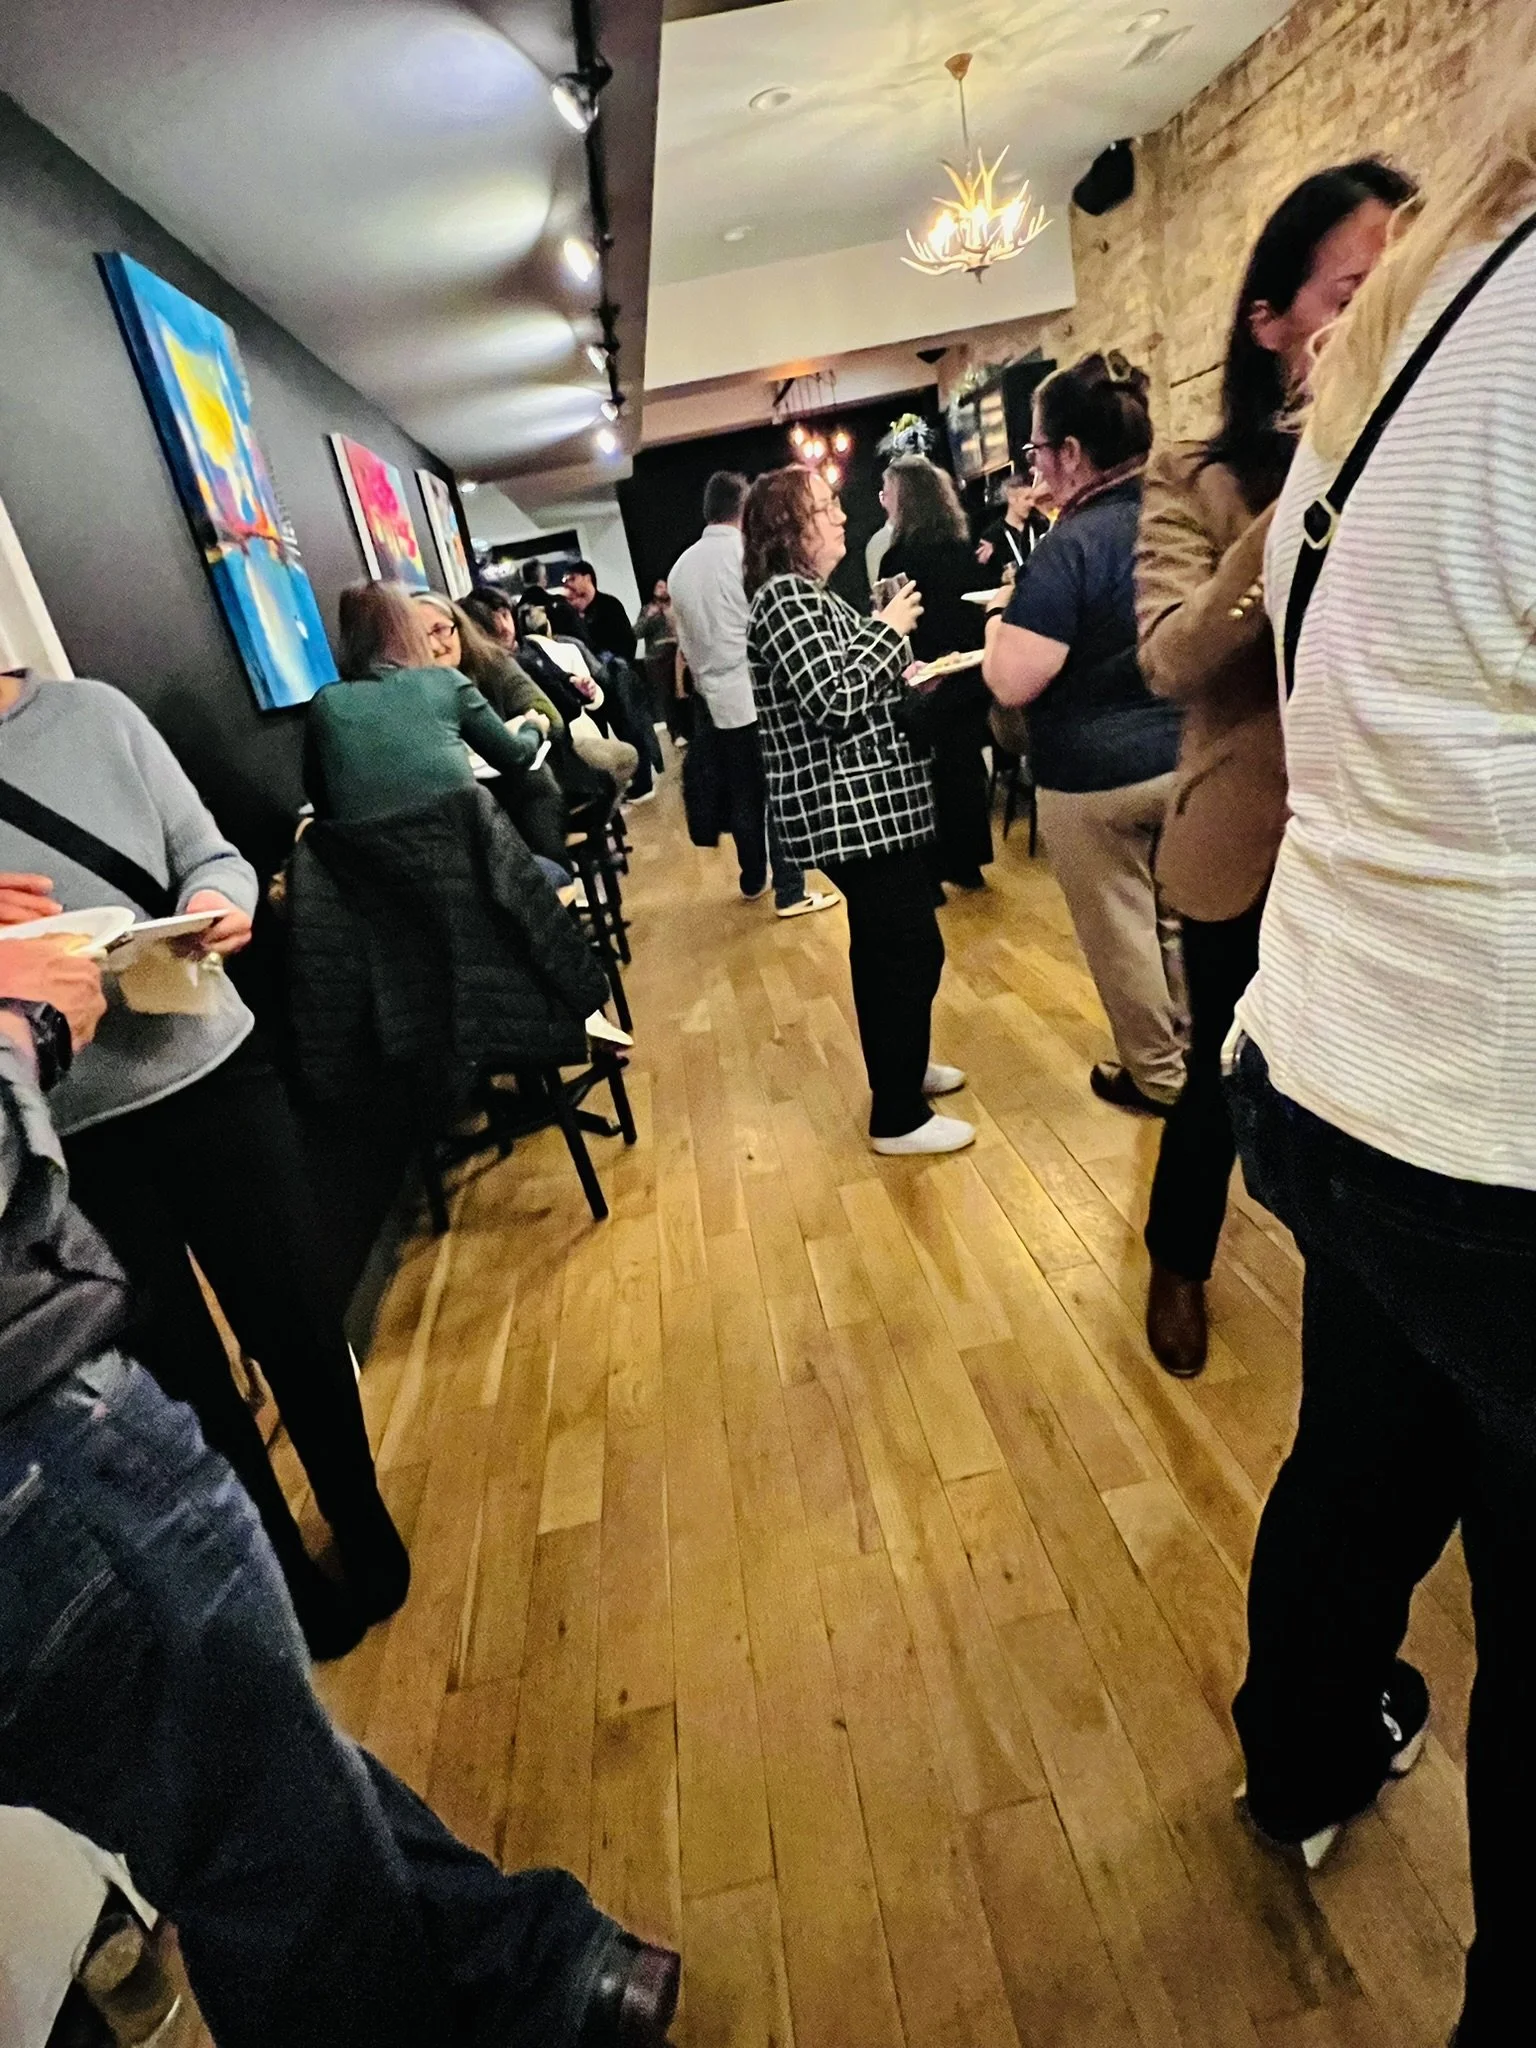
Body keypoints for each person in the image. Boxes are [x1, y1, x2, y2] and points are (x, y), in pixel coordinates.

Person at [0, 941, 681, 2048]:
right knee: (272, 1860)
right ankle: (537, 1969)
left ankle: (541, 1965)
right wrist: (25, 1023)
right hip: (37, 1449)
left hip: (58, 1413)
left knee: (241, 1772)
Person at [1227, 35, 1536, 2041]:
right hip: (1482, 1118)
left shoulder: (1437, 314)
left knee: (1365, 1454)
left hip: (1338, 1072)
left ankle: (1305, 1753)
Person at [0, 666, 407, 1661]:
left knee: (298, 1322)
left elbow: (209, 852)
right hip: (67, 1128)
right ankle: (281, 1572)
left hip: (209, 1067)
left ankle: (361, 1519)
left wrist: (219, 902)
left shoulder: (94, 709)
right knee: (182, 1376)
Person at [1135, 158, 1415, 1379]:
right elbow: (1168, 654)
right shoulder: (1191, 477)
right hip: (1252, 833)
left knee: (1388, 1103)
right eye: (1353, 291)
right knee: (1224, 1077)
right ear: (1271, 321)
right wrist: (1300, 492)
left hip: (1401, 832)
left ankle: (1385, 1310)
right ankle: (1179, 1255)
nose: (1383, 312)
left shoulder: (1435, 434)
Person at [744, 465, 971, 1155]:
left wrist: (912, 672)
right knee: (907, 950)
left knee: (888, 950)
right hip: (851, 815)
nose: (841, 516)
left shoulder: (804, 597)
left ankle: (901, 1070)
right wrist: (889, 627)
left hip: (868, 811)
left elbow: (853, 686)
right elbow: (835, 700)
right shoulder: (784, 600)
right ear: (788, 528)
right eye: (824, 507)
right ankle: (897, 1115)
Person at [983, 352, 1185, 1115]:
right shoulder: (1177, 514)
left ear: (1070, 453)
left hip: (1096, 776)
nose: (1035, 467)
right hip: (1188, 756)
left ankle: (1160, 1079)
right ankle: (1206, 1060)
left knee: (1122, 932)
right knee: (1181, 920)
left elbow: (1013, 681)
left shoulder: (1071, 548)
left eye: (1037, 450)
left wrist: (1000, 615)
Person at [669, 470, 839, 920]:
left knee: (744, 791)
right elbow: (767, 621)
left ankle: (752, 877)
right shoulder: (745, 554)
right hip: (757, 688)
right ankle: (790, 889)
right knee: (780, 788)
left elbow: (682, 642)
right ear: (744, 509)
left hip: (715, 695)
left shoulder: (680, 567)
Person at [876, 454, 994, 892]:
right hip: (970, 672)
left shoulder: (897, 559)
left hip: (924, 678)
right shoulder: (966, 550)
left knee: (925, 772)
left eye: (889, 493)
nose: (883, 501)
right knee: (964, 765)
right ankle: (969, 862)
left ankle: (932, 868)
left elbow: (893, 626)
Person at [409, 590, 571, 872]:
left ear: (458, 628)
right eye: (422, 637)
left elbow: (548, 715)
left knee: (535, 798)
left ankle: (550, 891)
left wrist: (513, 731)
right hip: (456, 801)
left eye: (441, 630)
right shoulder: (406, 690)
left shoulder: (493, 663)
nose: (435, 645)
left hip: (519, 783)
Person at [562, 561, 638, 666]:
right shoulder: (570, 611)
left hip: (615, 669)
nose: (568, 584)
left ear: (587, 578)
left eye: (572, 579)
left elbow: (628, 641)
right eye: (565, 580)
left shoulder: (610, 604)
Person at [976, 469, 1051, 573]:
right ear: (1012, 499)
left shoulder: (1041, 527)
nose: (1032, 504)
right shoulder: (992, 536)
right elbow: (984, 576)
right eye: (1027, 498)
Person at [634, 576, 680, 731]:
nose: (664, 589)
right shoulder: (648, 610)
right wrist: (648, 617)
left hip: (678, 656)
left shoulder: (677, 606)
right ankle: (667, 730)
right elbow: (636, 633)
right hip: (656, 660)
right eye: (660, 586)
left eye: (666, 586)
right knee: (662, 697)